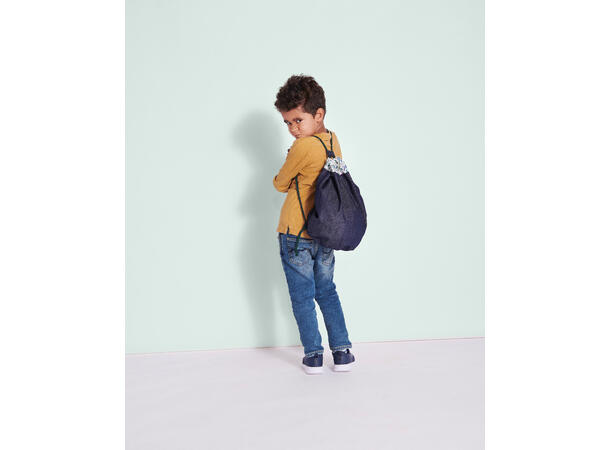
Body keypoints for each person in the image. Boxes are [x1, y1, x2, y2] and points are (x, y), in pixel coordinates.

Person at [272, 74, 356, 374]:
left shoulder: (302, 147)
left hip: (295, 233)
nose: (293, 129)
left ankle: (313, 356)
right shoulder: (333, 139)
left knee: (302, 297)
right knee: (327, 291)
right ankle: (343, 352)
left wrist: (291, 162)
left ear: (318, 114)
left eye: (298, 120)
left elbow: (280, 183)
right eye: (288, 123)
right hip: (325, 231)